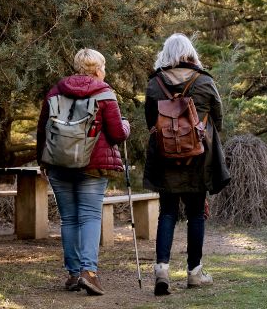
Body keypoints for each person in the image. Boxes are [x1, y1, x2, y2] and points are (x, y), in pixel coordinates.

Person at [37, 48, 130, 296]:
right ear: (98, 69)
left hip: (58, 163)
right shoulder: (105, 94)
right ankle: (89, 273)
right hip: (93, 165)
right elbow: (117, 134)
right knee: (89, 216)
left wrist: (43, 161)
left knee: (69, 219)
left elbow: (42, 129)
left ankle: (73, 274)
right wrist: (126, 127)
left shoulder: (55, 91)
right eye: (104, 67)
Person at [143, 33, 230, 296]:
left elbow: (150, 122)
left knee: (167, 212)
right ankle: (194, 272)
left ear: (165, 54)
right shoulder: (204, 81)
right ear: (191, 53)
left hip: (165, 157)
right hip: (199, 157)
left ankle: (161, 270)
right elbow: (220, 119)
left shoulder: (154, 84)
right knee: (195, 213)